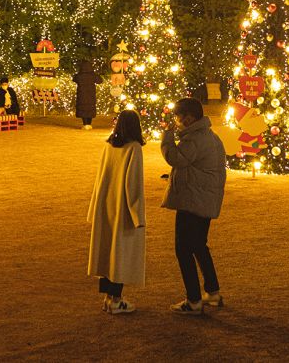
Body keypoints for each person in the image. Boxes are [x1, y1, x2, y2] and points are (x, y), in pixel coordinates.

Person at [161, 96, 226, 315]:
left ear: (189, 118)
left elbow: (175, 158)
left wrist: (167, 137)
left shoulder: (194, 139)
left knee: (183, 248)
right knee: (199, 244)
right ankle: (212, 291)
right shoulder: (210, 136)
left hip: (193, 199)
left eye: (178, 117)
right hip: (205, 197)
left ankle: (194, 300)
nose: (177, 121)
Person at [87, 109, 145, 315]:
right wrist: (137, 214)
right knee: (120, 253)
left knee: (107, 250)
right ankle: (117, 299)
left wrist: (94, 206)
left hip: (106, 205)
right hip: (122, 207)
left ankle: (108, 297)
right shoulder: (134, 148)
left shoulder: (109, 146)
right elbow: (134, 184)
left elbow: (100, 177)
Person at [73, 59, 102, 129]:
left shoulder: (79, 76)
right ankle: (89, 124)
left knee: (83, 108)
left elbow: (74, 79)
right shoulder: (93, 75)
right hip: (91, 95)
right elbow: (100, 80)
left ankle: (85, 124)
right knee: (90, 108)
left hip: (81, 95)